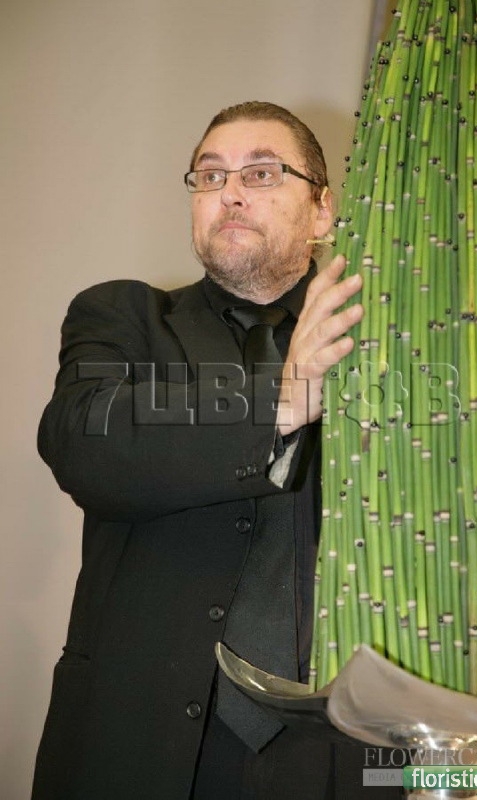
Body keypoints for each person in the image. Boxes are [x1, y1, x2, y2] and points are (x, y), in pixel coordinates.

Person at [32, 101, 402, 800]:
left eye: (260, 173)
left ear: (322, 210)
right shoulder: (126, 316)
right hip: (136, 742)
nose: (229, 192)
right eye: (209, 176)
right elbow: (83, 439)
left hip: (344, 755)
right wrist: (285, 400)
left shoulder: (390, 344)